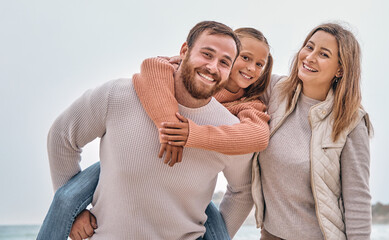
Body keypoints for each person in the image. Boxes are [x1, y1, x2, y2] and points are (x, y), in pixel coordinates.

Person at [39, 21, 254, 240]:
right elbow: (61, 136)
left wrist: (218, 235)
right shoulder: (118, 95)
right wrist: (73, 214)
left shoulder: (229, 130)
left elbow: (243, 190)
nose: (213, 67)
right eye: (207, 54)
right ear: (184, 51)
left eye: (224, 62)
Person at [251, 23, 373, 240]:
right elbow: (229, 81)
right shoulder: (276, 90)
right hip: (270, 234)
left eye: (323, 54)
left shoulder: (350, 121)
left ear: (340, 69)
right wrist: (175, 65)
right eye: (309, 47)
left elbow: (357, 199)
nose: (310, 57)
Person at [133, 27, 273, 166]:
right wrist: (171, 129)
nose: (252, 68)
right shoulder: (193, 72)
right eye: (245, 58)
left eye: (259, 64)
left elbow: (259, 137)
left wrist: (194, 134)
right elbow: (152, 65)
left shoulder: (247, 103)